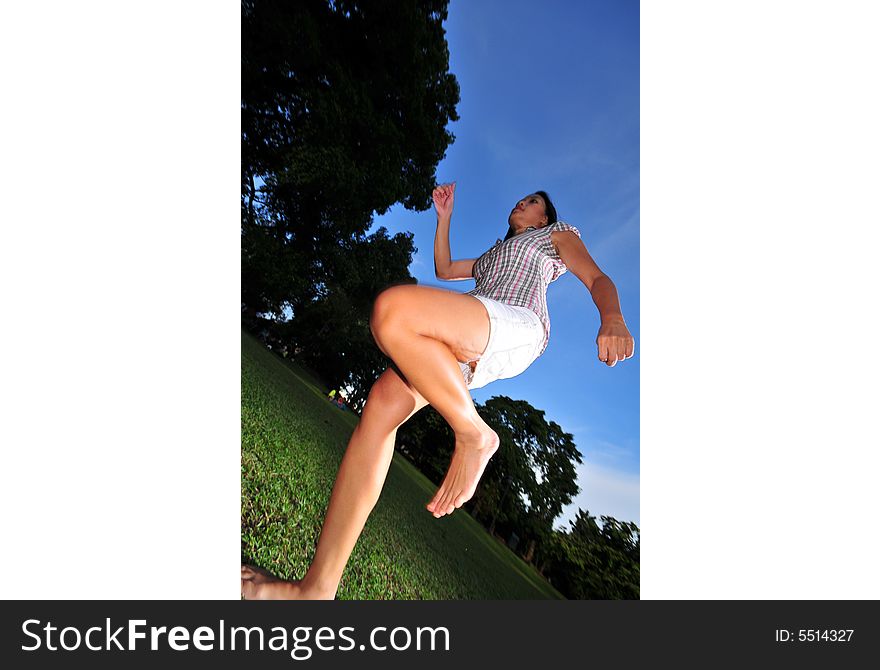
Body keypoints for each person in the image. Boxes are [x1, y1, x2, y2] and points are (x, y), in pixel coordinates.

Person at [242, 182, 635, 599]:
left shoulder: (554, 237)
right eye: (522, 197)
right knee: (380, 407)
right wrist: (444, 218)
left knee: (393, 311)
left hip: (516, 324)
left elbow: (596, 277)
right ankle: (315, 591)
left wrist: (612, 317)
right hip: (467, 345)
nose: (523, 201)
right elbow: (445, 269)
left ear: (544, 218)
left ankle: (474, 433)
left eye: (534, 201)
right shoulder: (491, 255)